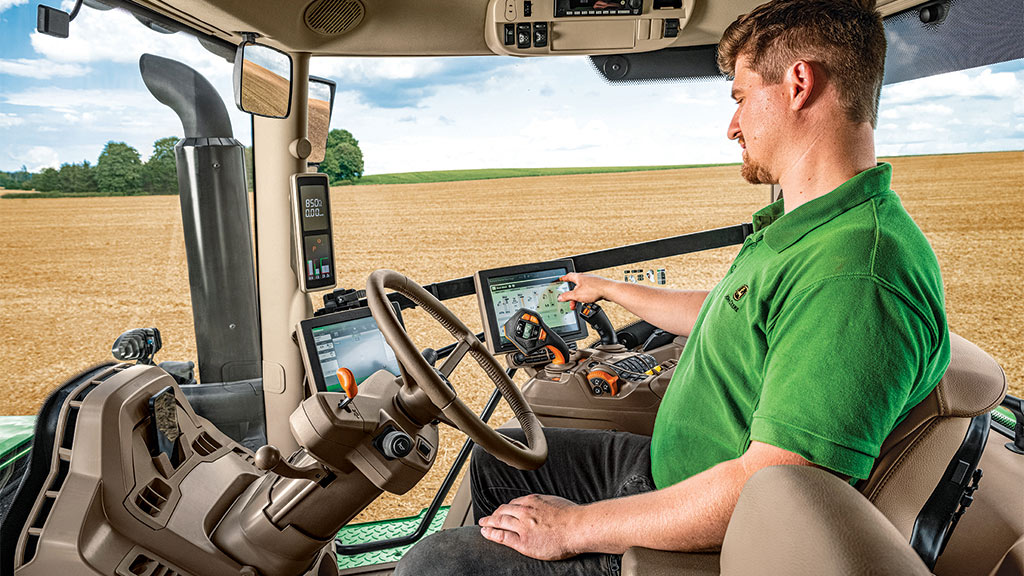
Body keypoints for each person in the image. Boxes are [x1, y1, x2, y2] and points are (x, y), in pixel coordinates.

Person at [397, 0, 950, 573]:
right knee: (497, 460)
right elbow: (725, 313)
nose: (732, 126)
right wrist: (609, 289)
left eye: (740, 98)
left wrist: (574, 529)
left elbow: (774, 492)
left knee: (433, 565)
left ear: (798, 84)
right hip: (671, 475)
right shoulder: (814, 230)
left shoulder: (854, 276)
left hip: (698, 537)